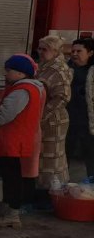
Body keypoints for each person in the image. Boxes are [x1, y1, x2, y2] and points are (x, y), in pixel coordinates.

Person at [0, 55, 45, 229]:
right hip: (14, 139)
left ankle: (12, 215)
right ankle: (6, 210)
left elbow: (4, 115)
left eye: (9, 70)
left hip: (12, 140)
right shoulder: (28, 88)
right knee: (9, 177)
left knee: (12, 178)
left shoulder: (22, 90)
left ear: (21, 73)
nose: (5, 74)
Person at [35, 35, 72, 206]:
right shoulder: (45, 66)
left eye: (45, 49)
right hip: (46, 118)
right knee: (44, 158)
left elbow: (62, 97)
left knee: (52, 160)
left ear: (55, 51)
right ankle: (46, 193)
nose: (41, 52)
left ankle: (51, 195)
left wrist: (43, 115)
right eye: (40, 48)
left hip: (53, 120)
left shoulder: (58, 69)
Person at [66, 37, 94, 178]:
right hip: (68, 120)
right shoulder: (66, 69)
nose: (75, 54)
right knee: (65, 155)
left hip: (89, 122)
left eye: (79, 51)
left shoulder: (92, 71)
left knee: (91, 157)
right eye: (73, 51)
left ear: (90, 53)